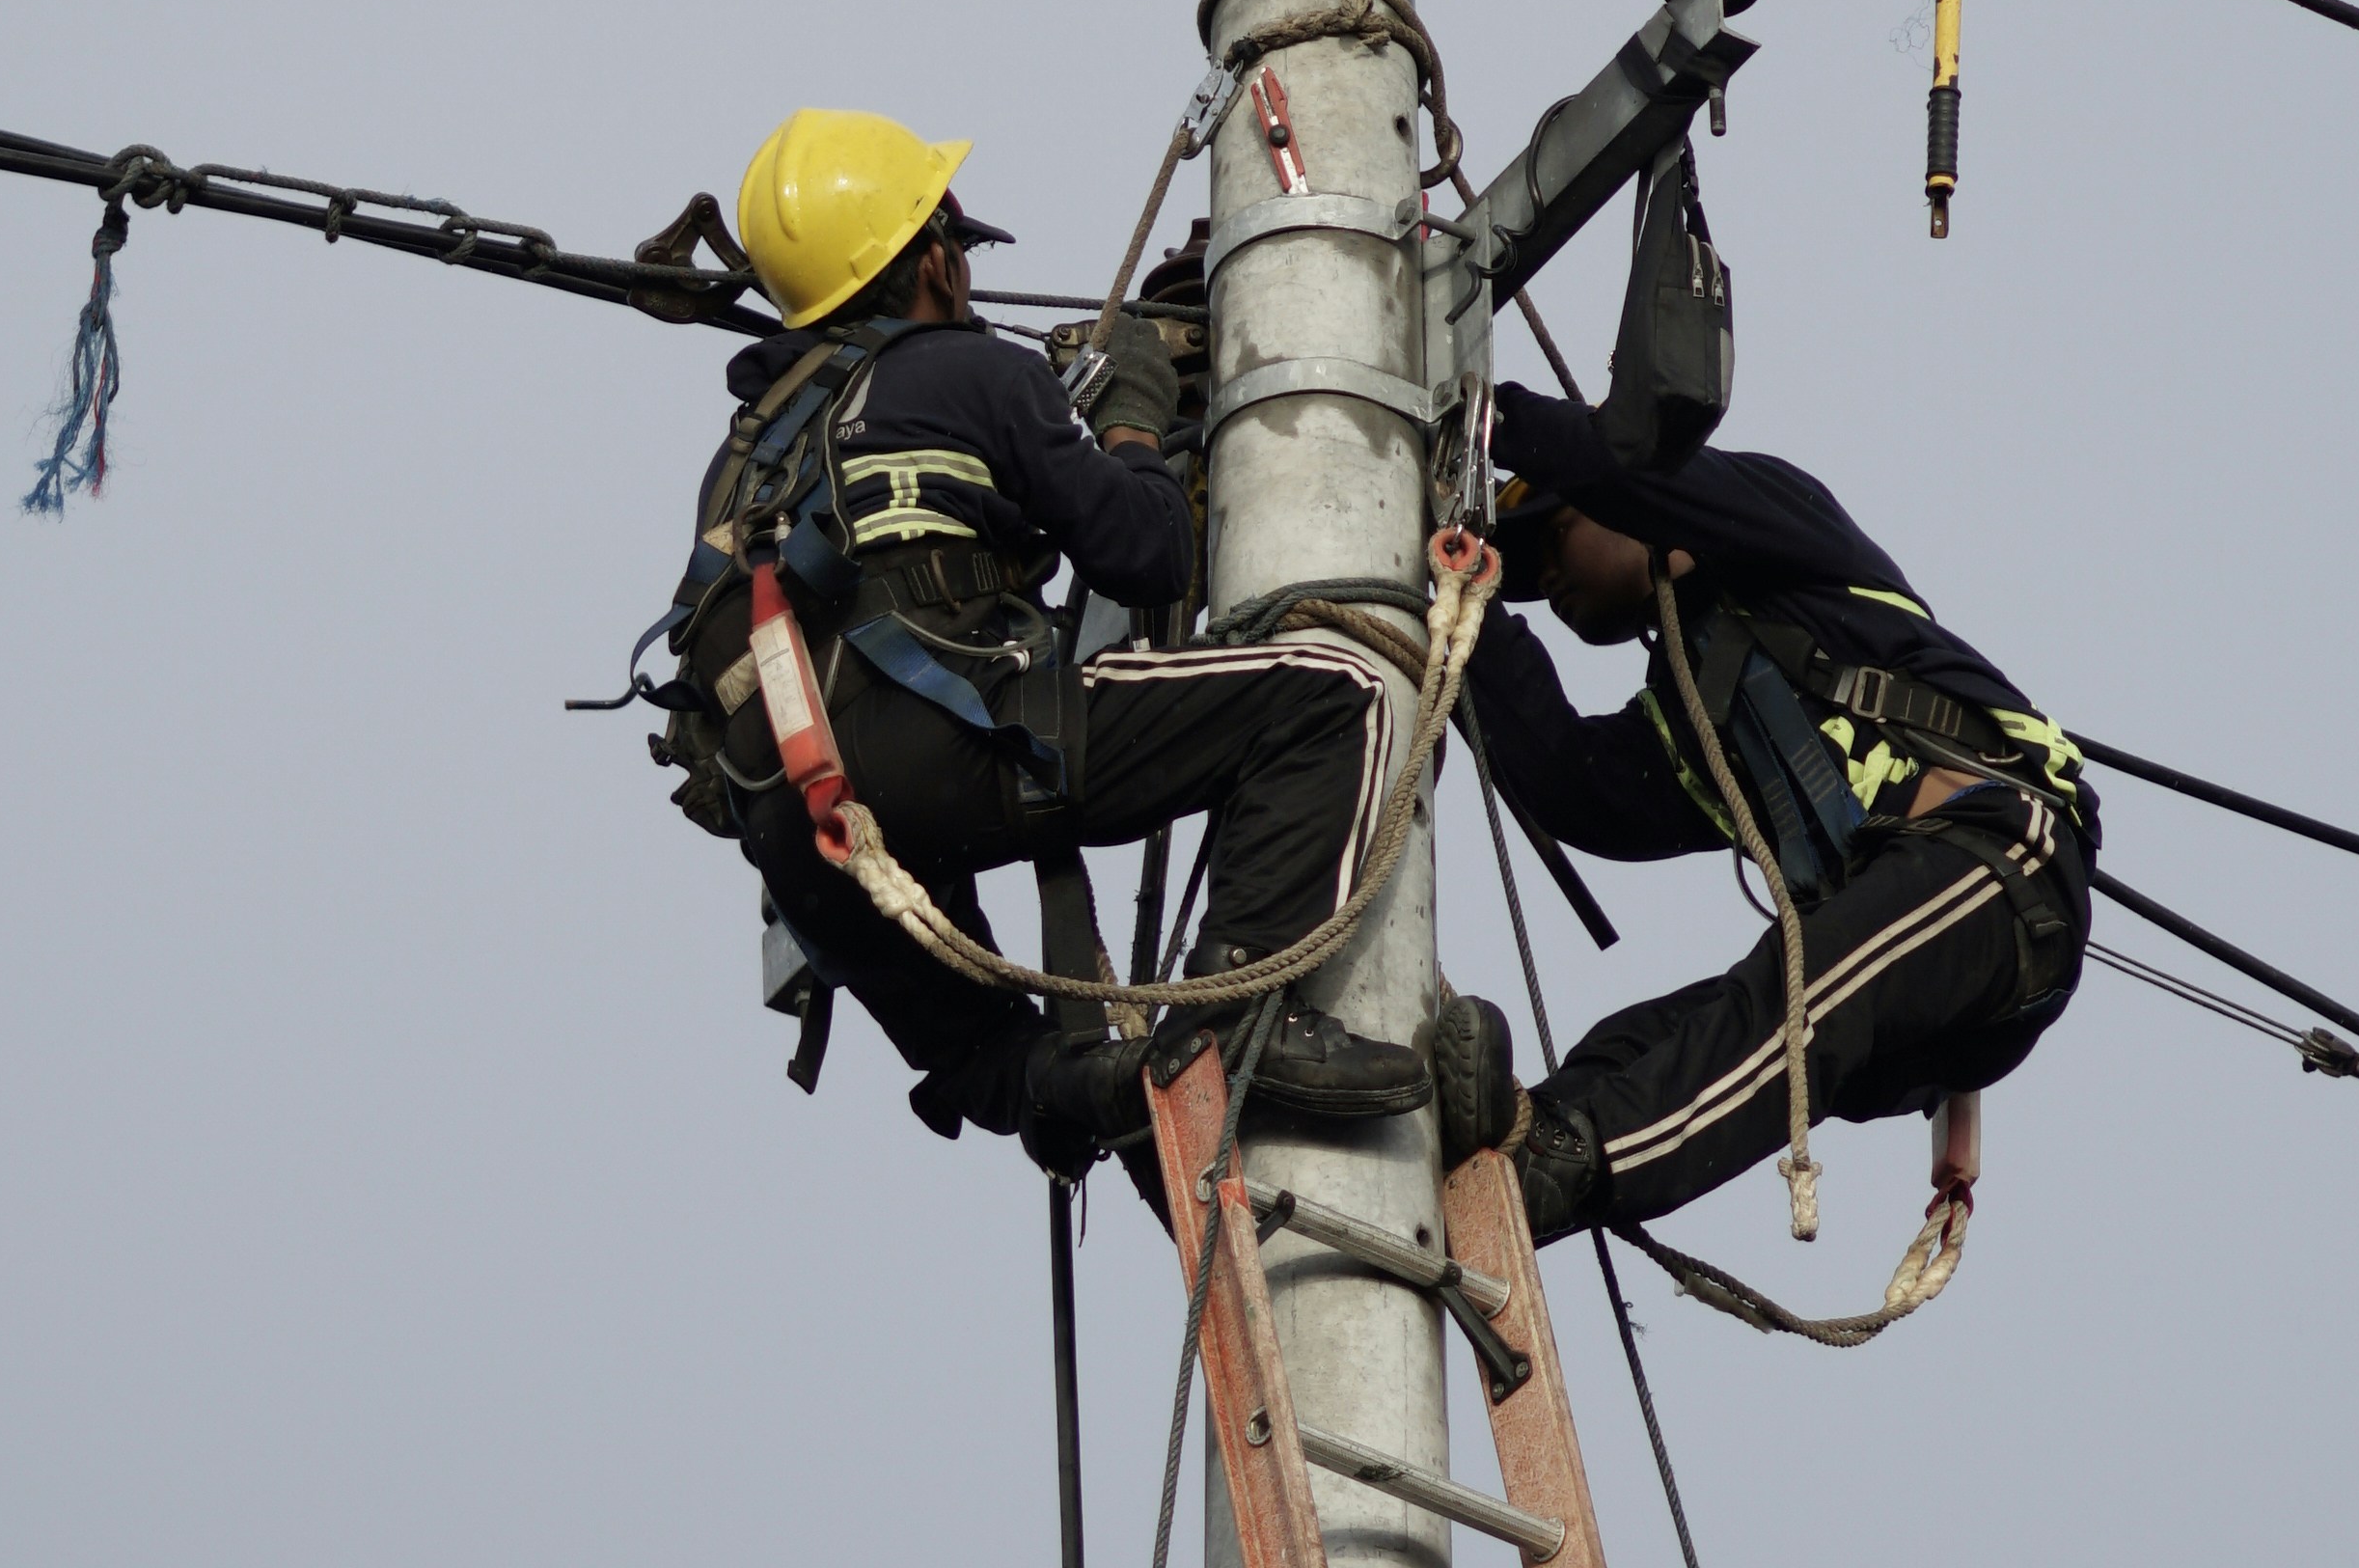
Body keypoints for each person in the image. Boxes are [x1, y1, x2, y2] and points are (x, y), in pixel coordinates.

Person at [647, 105, 1437, 1170]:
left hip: (790, 822)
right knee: (1336, 690)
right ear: (930, 260)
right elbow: (1148, 553)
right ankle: (1247, 1015)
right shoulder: (964, 371)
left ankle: (1089, 1087)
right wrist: (1133, 417)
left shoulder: (744, 457)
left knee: (980, 1048)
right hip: (932, 748)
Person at [1465, 382, 2095, 1245]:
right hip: (1900, 1008)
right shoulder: (1686, 718)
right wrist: (1466, 597)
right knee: (1640, 1047)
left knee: (1798, 988)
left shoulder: (1785, 532)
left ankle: (1580, 1161)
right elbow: (1569, 779)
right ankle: (1500, 1155)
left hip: (2000, 870)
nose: (1542, 575)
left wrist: (1493, 422)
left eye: (1555, 536)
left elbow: (1628, 472)